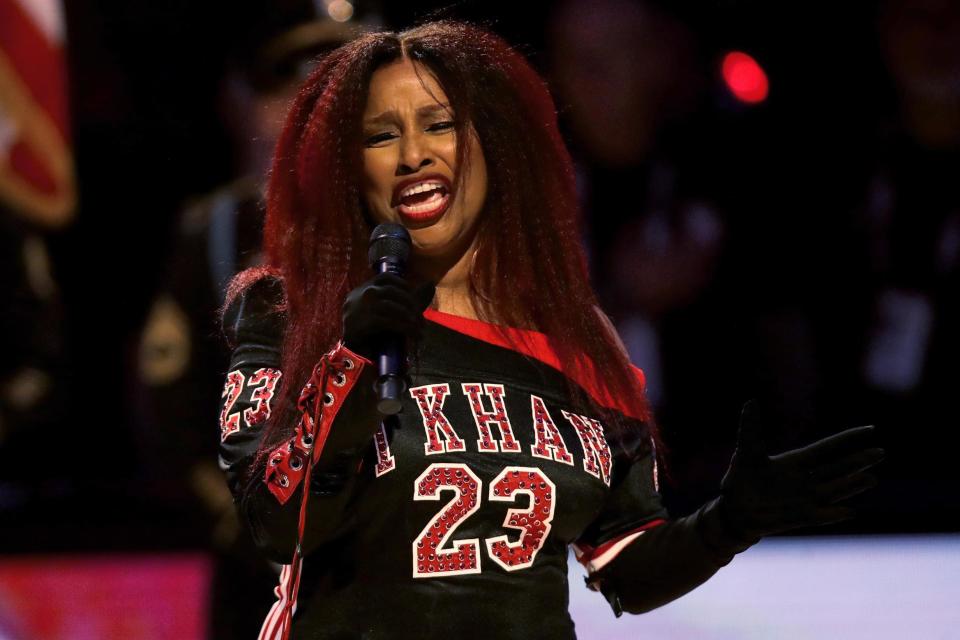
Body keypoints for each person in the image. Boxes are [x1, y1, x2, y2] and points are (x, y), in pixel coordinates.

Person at [216, 21, 885, 640]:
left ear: (495, 146)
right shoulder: (290, 310)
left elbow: (625, 566)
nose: (413, 154)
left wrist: (729, 523)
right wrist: (352, 361)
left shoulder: (576, 337)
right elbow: (276, 522)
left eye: (440, 124)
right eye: (381, 135)